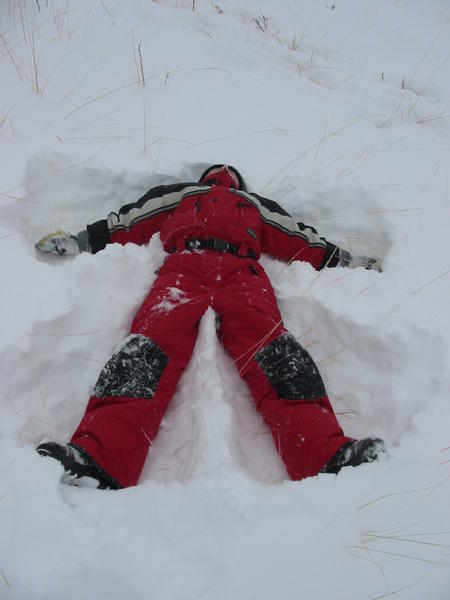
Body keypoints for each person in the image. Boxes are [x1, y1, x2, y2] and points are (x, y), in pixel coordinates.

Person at [35, 164, 385, 489]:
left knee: (278, 357)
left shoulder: (255, 204)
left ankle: (326, 456)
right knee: (145, 352)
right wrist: (82, 241)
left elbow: (297, 237)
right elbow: (133, 219)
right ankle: (98, 460)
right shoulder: (182, 193)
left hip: (242, 275)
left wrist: (346, 261)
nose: (222, 172)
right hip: (182, 270)